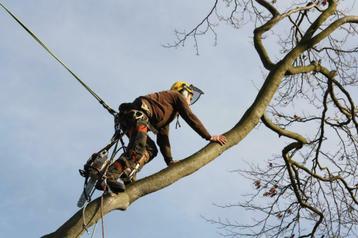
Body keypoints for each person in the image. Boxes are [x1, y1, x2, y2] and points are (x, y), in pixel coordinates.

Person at [104, 81, 227, 192]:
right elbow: (190, 117)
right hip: (137, 117)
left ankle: (127, 172)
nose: (189, 101)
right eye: (190, 96)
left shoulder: (165, 111)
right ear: (183, 92)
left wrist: (169, 161)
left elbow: (163, 139)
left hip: (134, 120)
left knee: (151, 150)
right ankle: (111, 173)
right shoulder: (176, 96)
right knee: (138, 149)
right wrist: (208, 136)